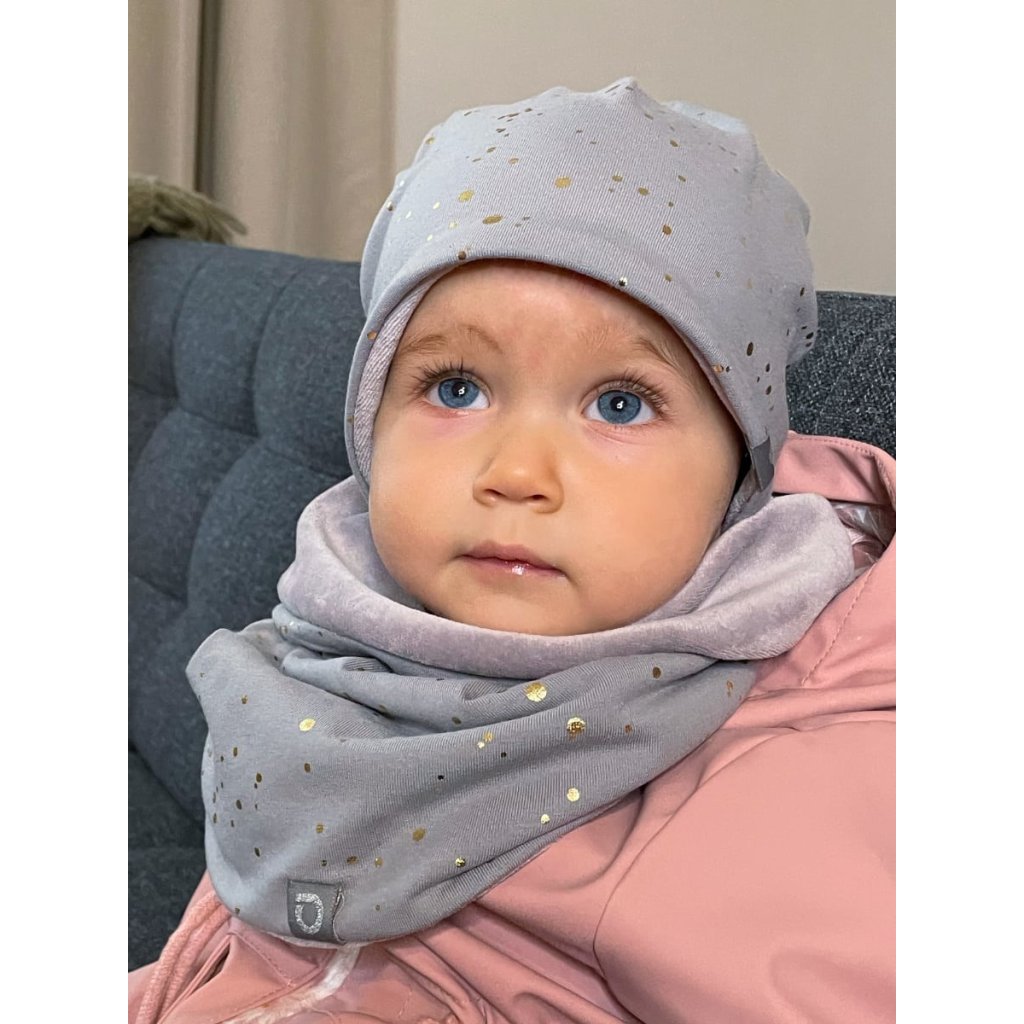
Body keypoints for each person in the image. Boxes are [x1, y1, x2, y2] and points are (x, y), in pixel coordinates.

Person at [129, 78, 895, 1023]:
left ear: (738, 473)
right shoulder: (338, 616)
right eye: (456, 388)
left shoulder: (792, 781)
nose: (518, 473)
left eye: (620, 403)